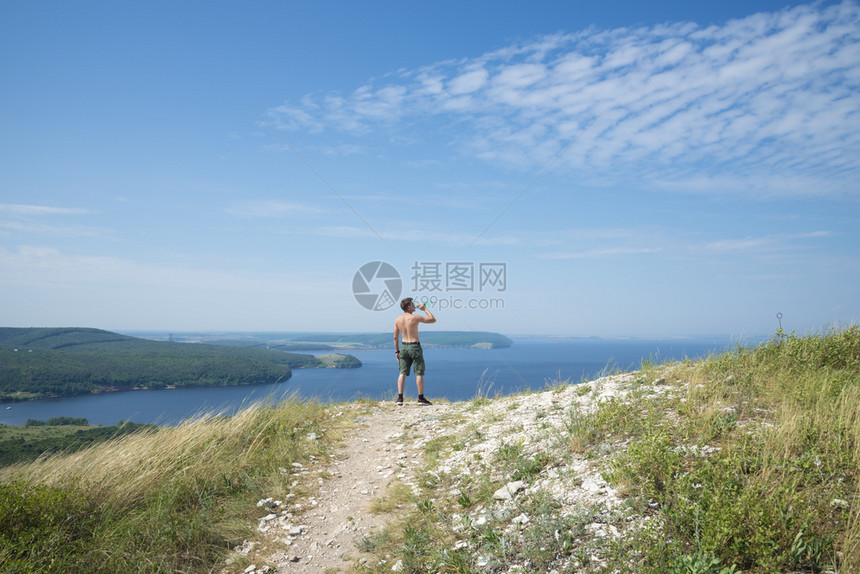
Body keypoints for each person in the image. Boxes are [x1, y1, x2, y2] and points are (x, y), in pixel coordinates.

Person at [394, 297, 436, 405]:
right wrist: (424, 309)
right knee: (419, 373)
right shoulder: (415, 318)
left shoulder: (397, 319)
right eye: (413, 305)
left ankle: (399, 398)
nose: (415, 306)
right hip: (414, 346)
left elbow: (395, 337)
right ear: (409, 307)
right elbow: (433, 319)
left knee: (402, 373)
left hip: (403, 347)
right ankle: (421, 399)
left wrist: (397, 352)